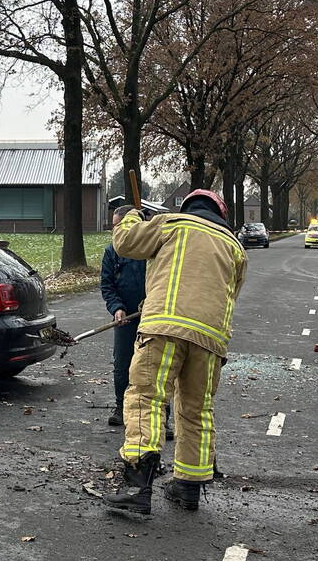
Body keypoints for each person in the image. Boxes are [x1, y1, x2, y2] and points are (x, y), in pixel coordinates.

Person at [102, 189, 247, 515]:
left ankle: (137, 486)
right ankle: (188, 486)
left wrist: (132, 216)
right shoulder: (235, 246)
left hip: (164, 330)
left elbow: (124, 243)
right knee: (196, 409)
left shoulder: (172, 223)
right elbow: (229, 293)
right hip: (211, 339)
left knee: (146, 398)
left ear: (189, 207)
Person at [100, 205, 172, 440]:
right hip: (126, 319)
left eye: (117, 225)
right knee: (123, 365)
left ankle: (163, 418)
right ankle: (121, 408)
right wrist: (117, 308)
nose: (115, 229)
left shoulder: (152, 248)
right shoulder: (112, 251)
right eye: (113, 225)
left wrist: (153, 305)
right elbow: (107, 285)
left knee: (156, 369)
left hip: (153, 317)